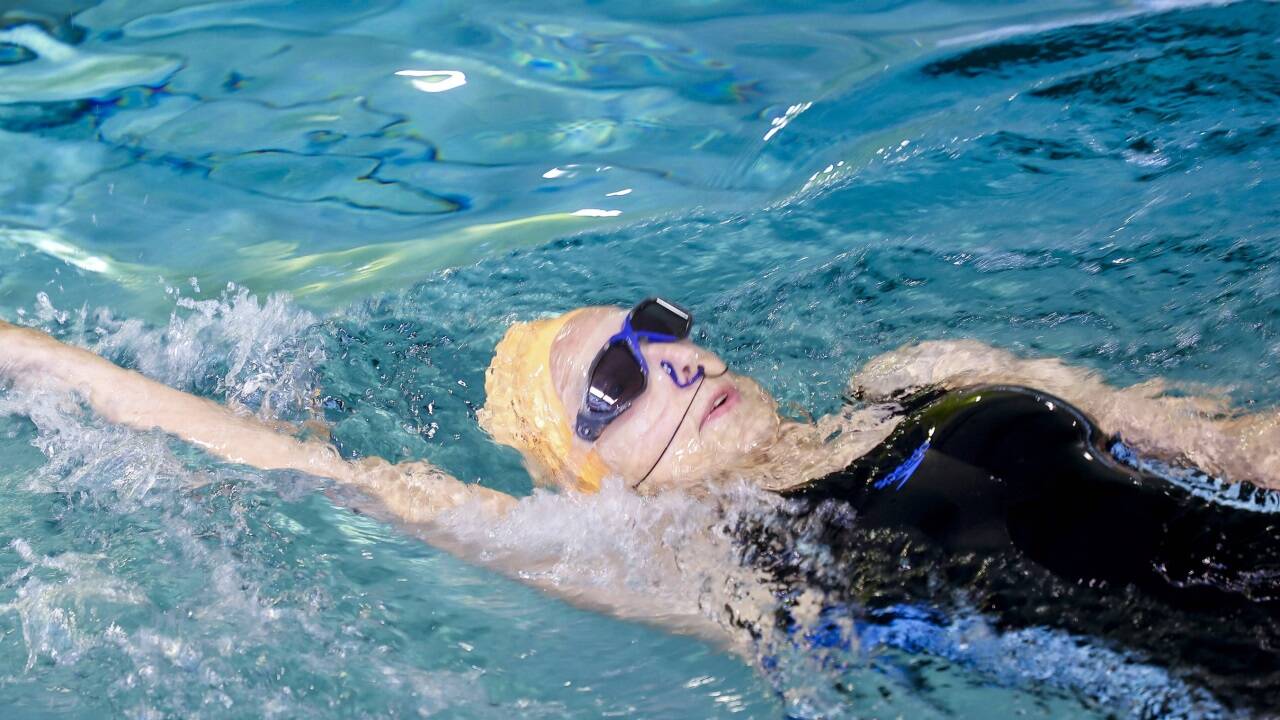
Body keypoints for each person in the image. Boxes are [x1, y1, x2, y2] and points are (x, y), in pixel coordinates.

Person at [1, 299, 1277, 709]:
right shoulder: (678, 548)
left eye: (658, 328)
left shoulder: (924, 379)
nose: (670, 358)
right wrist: (45, 363)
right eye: (614, 381)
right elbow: (323, 475)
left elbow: (1231, 446)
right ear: (587, 476)